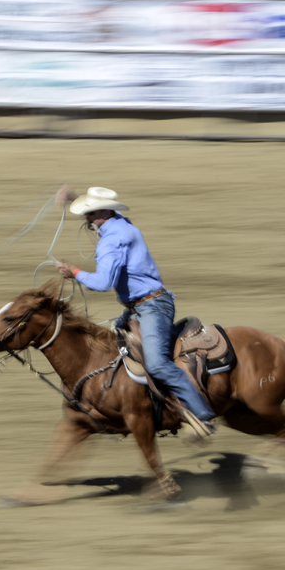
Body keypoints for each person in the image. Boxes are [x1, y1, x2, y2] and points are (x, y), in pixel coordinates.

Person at [55, 186, 216, 444]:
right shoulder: (120, 224)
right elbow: (103, 219)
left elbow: (103, 282)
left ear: (105, 211)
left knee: (156, 363)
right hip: (141, 306)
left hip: (152, 307)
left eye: (89, 213)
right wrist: (77, 201)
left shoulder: (113, 240)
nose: (86, 218)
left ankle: (202, 415)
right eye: (85, 212)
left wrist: (74, 271)